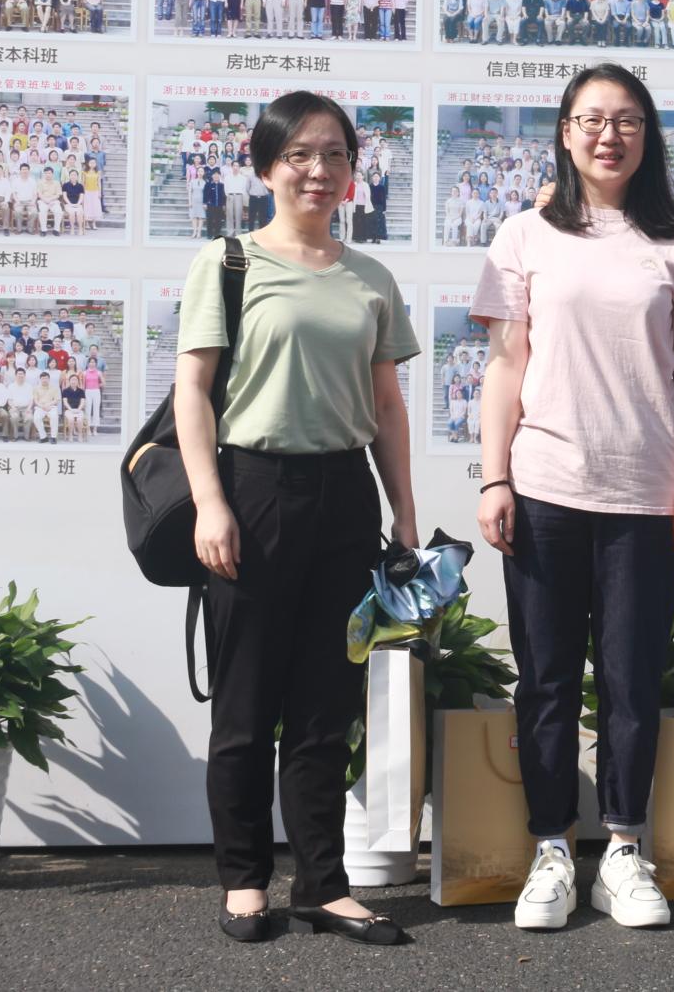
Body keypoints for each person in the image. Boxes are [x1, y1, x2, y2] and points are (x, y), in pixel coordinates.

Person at [471, 63, 674, 933]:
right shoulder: (525, 233)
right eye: (592, 120)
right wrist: (494, 476)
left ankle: (622, 849)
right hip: (545, 487)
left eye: (628, 121)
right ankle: (549, 847)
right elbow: (505, 365)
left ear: (649, 136)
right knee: (544, 679)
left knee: (630, 680)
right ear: (566, 132)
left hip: (644, 493)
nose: (610, 135)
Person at [176, 90, 420, 946]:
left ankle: (323, 884)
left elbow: (386, 407)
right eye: (300, 155)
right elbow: (193, 391)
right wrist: (211, 501)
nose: (320, 170)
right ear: (266, 167)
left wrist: (405, 515)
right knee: (245, 707)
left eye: (336, 155)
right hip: (253, 490)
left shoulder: (371, 277)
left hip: (345, 495)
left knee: (325, 706)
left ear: (355, 170)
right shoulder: (229, 262)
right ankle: (245, 880)